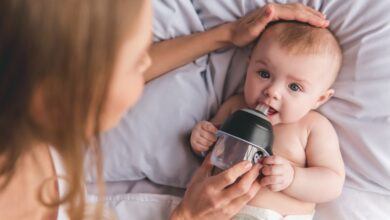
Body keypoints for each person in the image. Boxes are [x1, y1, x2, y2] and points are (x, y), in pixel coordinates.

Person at [0, 0, 328, 219]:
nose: (148, 65)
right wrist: (187, 215)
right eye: (135, 60)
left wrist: (226, 34)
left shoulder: (31, 129)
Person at [190, 21, 345, 219]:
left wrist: (293, 178)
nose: (272, 91)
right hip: (217, 212)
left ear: (319, 98)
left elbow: (333, 183)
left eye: (294, 87)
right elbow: (211, 155)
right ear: (248, 68)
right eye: (264, 74)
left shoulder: (312, 126)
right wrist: (202, 140)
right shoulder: (235, 107)